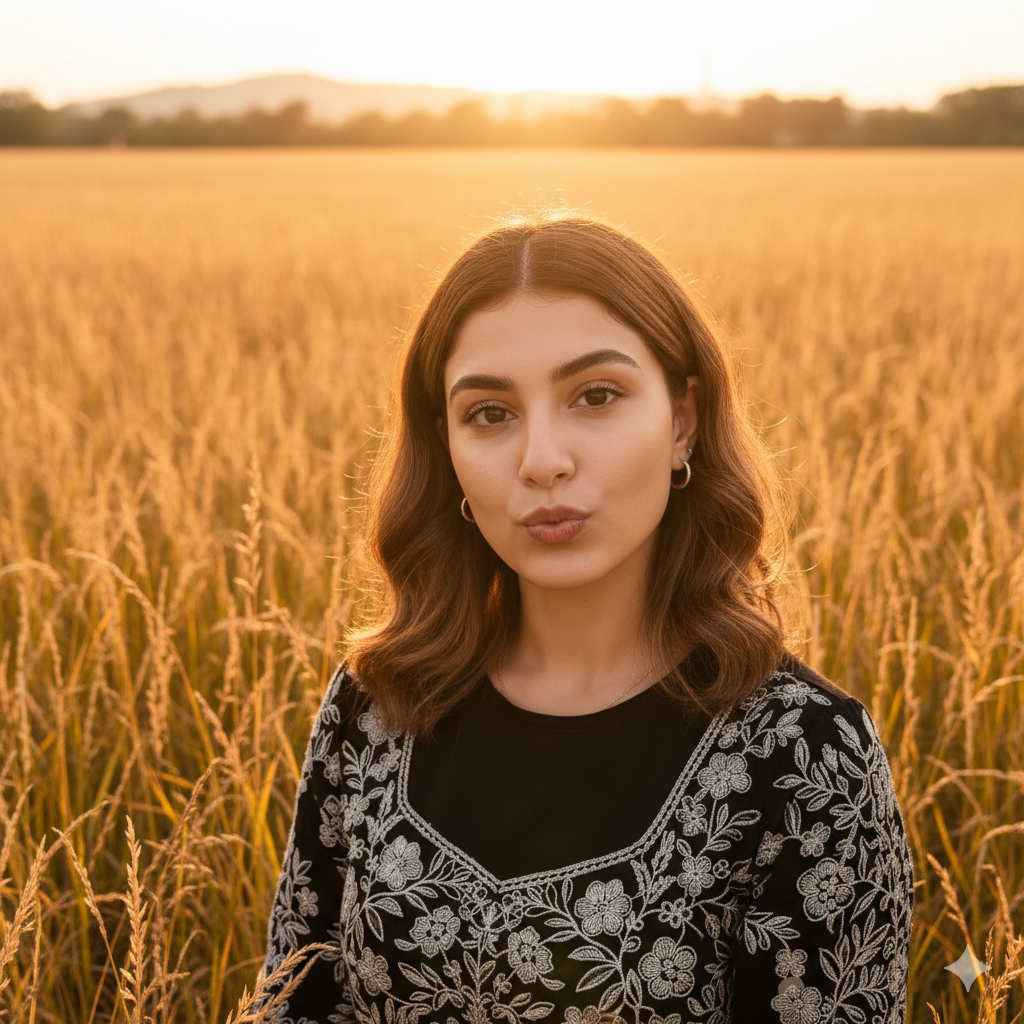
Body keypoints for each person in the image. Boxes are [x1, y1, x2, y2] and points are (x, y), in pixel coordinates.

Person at [259, 217, 914, 1024]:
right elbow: (290, 1002)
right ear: (449, 448)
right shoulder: (374, 707)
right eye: (490, 413)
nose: (541, 459)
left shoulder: (807, 757)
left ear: (683, 421)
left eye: (595, 396)